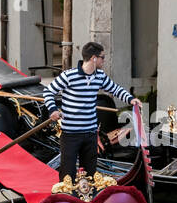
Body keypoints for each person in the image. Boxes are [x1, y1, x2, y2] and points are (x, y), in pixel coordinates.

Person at [43, 42, 136, 182]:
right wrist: (53, 109)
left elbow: (115, 89)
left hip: (90, 134)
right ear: (94, 58)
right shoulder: (69, 76)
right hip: (70, 135)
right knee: (67, 174)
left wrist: (131, 100)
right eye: (102, 57)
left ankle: (87, 201)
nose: (104, 60)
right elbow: (48, 91)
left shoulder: (100, 76)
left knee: (90, 174)